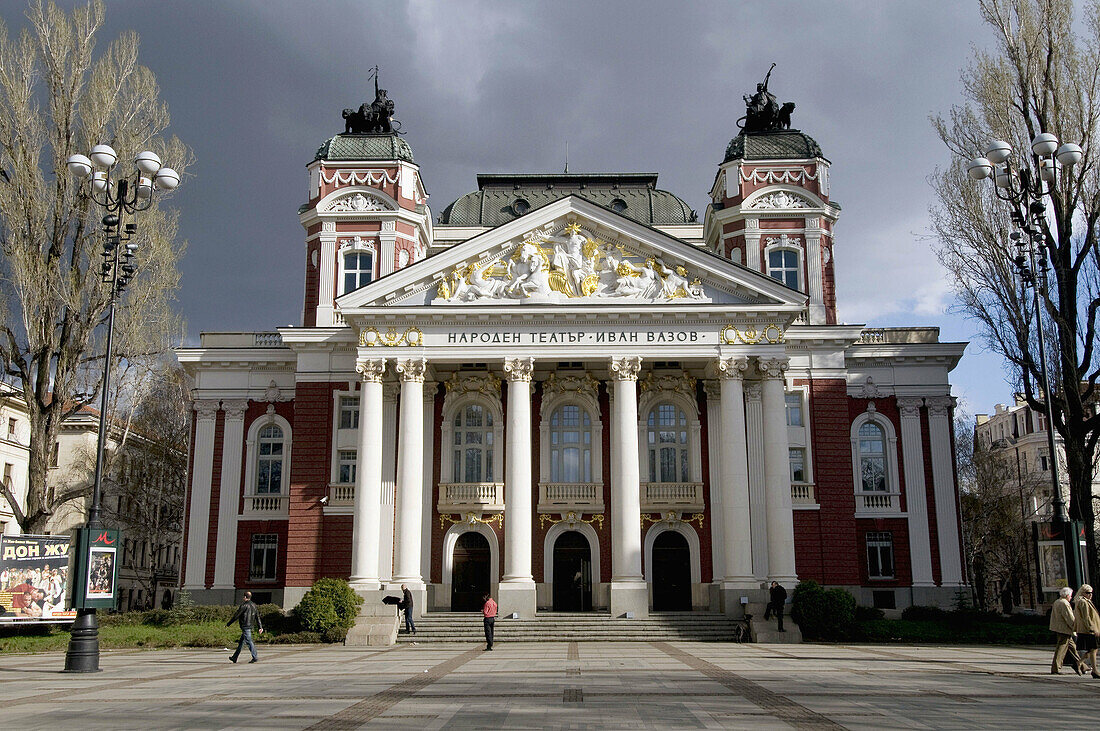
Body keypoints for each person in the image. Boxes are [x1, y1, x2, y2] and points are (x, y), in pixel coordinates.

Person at [1050, 586, 1083, 675]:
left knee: (1073, 649)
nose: (1071, 597)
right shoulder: (1064, 603)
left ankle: (1082, 666)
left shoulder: (1057, 601)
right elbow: (1069, 617)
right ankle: (1056, 668)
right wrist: (1076, 627)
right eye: (1071, 595)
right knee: (1061, 649)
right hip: (1065, 629)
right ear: (1067, 595)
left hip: (1059, 628)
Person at [226, 591, 264, 664]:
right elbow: (257, 616)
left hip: (245, 626)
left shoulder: (244, 606)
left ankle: (255, 657)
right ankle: (234, 657)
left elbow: (236, 615)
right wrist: (260, 627)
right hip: (250, 626)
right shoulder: (254, 605)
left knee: (249, 641)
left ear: (245, 597)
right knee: (241, 643)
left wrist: (228, 624)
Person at [1075, 584, 1100, 678]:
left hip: (1088, 629)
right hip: (1087, 630)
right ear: (1083, 593)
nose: (1090, 595)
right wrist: (1092, 628)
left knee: (1093, 649)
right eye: (1088, 593)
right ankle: (1094, 670)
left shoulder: (1085, 601)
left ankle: (1080, 663)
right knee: (1093, 649)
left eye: (1091, 593)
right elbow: (1086, 617)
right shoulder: (1083, 602)